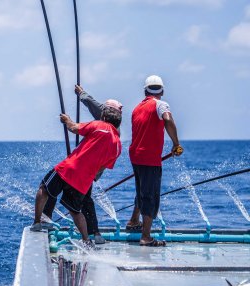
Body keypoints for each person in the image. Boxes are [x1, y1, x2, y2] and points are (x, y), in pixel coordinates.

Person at [42, 85, 123, 244]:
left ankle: (46, 218)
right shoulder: (114, 128)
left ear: (108, 112)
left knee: (53, 186)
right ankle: (95, 233)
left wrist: (81, 94)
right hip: (91, 169)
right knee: (86, 198)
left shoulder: (104, 122)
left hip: (84, 168)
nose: (101, 111)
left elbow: (89, 110)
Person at [126, 75, 183, 246]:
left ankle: (134, 220)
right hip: (149, 158)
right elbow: (167, 119)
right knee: (150, 195)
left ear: (145, 91)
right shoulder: (161, 105)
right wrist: (176, 144)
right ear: (162, 91)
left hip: (135, 156)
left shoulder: (136, 108)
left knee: (142, 189)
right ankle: (146, 237)